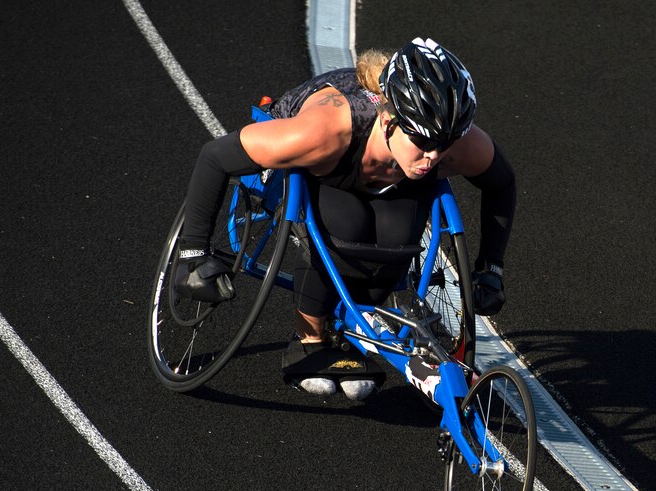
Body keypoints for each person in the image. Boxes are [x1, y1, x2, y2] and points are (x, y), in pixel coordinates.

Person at [173, 38, 515, 399]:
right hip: (332, 163)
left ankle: (347, 331)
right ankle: (309, 340)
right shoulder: (324, 131)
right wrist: (192, 255)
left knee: (396, 242)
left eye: (443, 144)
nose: (433, 156)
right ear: (388, 120)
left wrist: (491, 269)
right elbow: (214, 156)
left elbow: (502, 182)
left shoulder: (452, 143)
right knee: (345, 226)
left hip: (387, 174)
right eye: (423, 142)